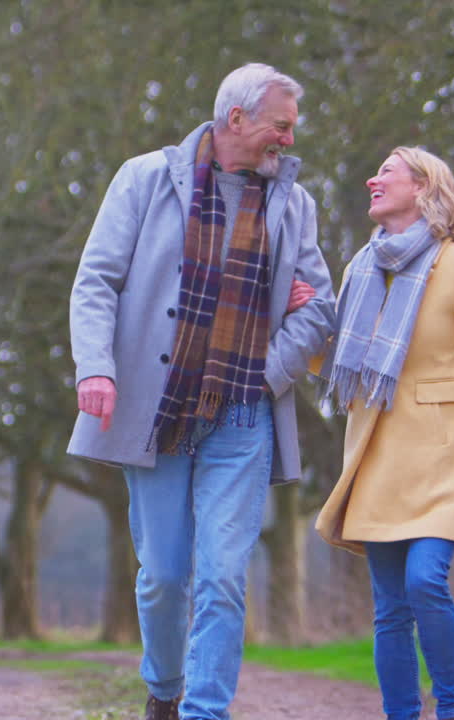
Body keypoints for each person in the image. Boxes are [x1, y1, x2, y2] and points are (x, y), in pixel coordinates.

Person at [67, 63, 338, 720]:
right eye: (281, 125)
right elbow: (96, 281)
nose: (289, 140)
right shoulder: (144, 179)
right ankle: (164, 689)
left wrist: (271, 370)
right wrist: (95, 366)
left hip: (244, 416)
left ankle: (205, 711)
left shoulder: (294, 205)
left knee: (221, 576)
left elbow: (319, 308)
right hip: (158, 412)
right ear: (237, 119)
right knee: (164, 576)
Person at [300, 147, 454, 720]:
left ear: (425, 187)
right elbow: (339, 362)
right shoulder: (361, 267)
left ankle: (452, 709)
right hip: (375, 455)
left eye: (387, 172)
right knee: (388, 609)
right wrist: (305, 320)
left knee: (426, 582)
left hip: (440, 456)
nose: (371, 179)